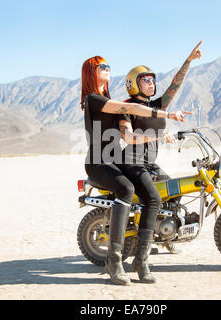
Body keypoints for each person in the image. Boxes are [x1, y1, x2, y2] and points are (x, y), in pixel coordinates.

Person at [81, 56, 190, 285]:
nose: (108, 69)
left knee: (160, 196)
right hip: (103, 161)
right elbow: (130, 114)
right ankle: (117, 260)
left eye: (109, 66)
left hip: (116, 160)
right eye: (103, 67)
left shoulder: (107, 100)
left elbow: (171, 88)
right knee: (129, 189)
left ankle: (144, 257)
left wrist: (188, 60)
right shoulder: (95, 100)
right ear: (91, 72)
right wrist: (167, 117)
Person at [118, 41, 203, 259]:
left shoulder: (157, 107)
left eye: (153, 79)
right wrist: (157, 135)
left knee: (175, 193)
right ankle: (141, 249)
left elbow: (175, 85)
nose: (151, 83)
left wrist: (188, 61)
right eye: (146, 80)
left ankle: (166, 237)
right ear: (134, 84)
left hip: (150, 163)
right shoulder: (126, 108)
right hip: (132, 163)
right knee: (153, 199)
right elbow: (128, 136)